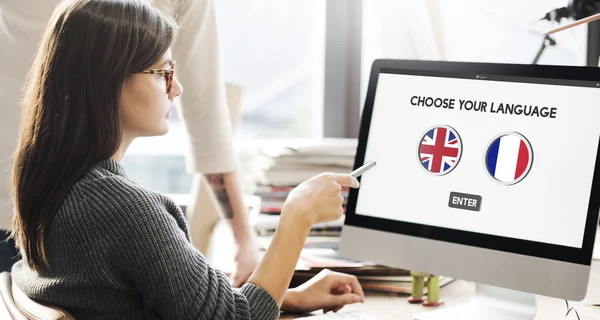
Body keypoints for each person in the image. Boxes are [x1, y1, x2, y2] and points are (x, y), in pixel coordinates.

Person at [9, 0, 365, 319]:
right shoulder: (123, 211)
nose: (176, 88)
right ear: (109, 79)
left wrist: (287, 297)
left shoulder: (54, 186)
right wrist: (298, 214)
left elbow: (172, 299)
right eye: (162, 73)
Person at [0, 0, 261, 285]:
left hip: (36, 203)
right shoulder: (132, 214)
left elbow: (206, 117)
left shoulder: (121, 207)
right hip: (33, 213)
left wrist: (242, 240)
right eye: (162, 73)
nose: (175, 88)